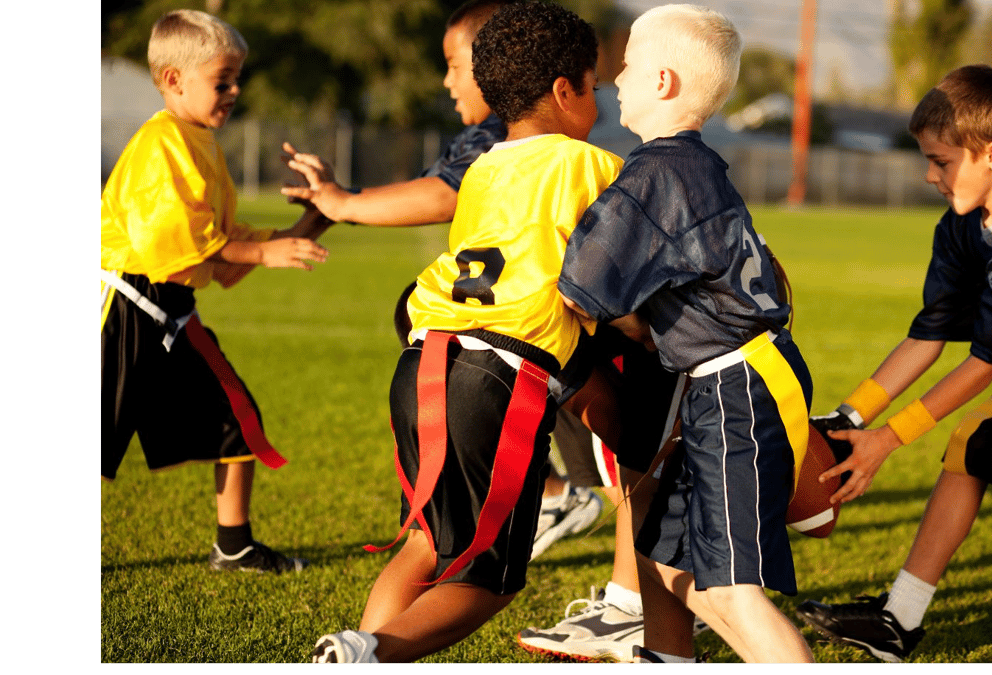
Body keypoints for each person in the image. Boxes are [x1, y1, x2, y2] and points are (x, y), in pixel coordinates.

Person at [309, 2, 624, 663]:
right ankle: (369, 651)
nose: (600, 100)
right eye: (593, 85)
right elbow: (609, 277)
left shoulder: (483, 168)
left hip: (422, 356)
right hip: (499, 376)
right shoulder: (592, 165)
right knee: (486, 580)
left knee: (427, 542)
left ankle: (359, 653)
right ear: (564, 91)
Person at [795, 65, 992, 664]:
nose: (930, 175)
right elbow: (929, 335)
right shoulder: (963, 225)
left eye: (941, 161)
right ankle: (899, 621)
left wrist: (888, 440)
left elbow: (983, 366)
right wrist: (849, 416)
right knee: (970, 447)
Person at [558, 4, 817, 664]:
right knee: (659, 555)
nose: (615, 79)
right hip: (734, 377)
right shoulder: (692, 163)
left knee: (732, 594)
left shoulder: (657, 171)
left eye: (628, 65)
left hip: (737, 387)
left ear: (664, 81)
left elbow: (580, 288)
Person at [100, 9, 332, 573]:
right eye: (222, 81)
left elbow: (223, 247)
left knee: (235, 418)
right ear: (174, 80)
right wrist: (263, 253)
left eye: (236, 80)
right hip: (123, 308)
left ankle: (234, 546)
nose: (234, 92)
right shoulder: (161, 143)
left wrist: (317, 217)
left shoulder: (200, 142)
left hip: (173, 312)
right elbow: (176, 243)